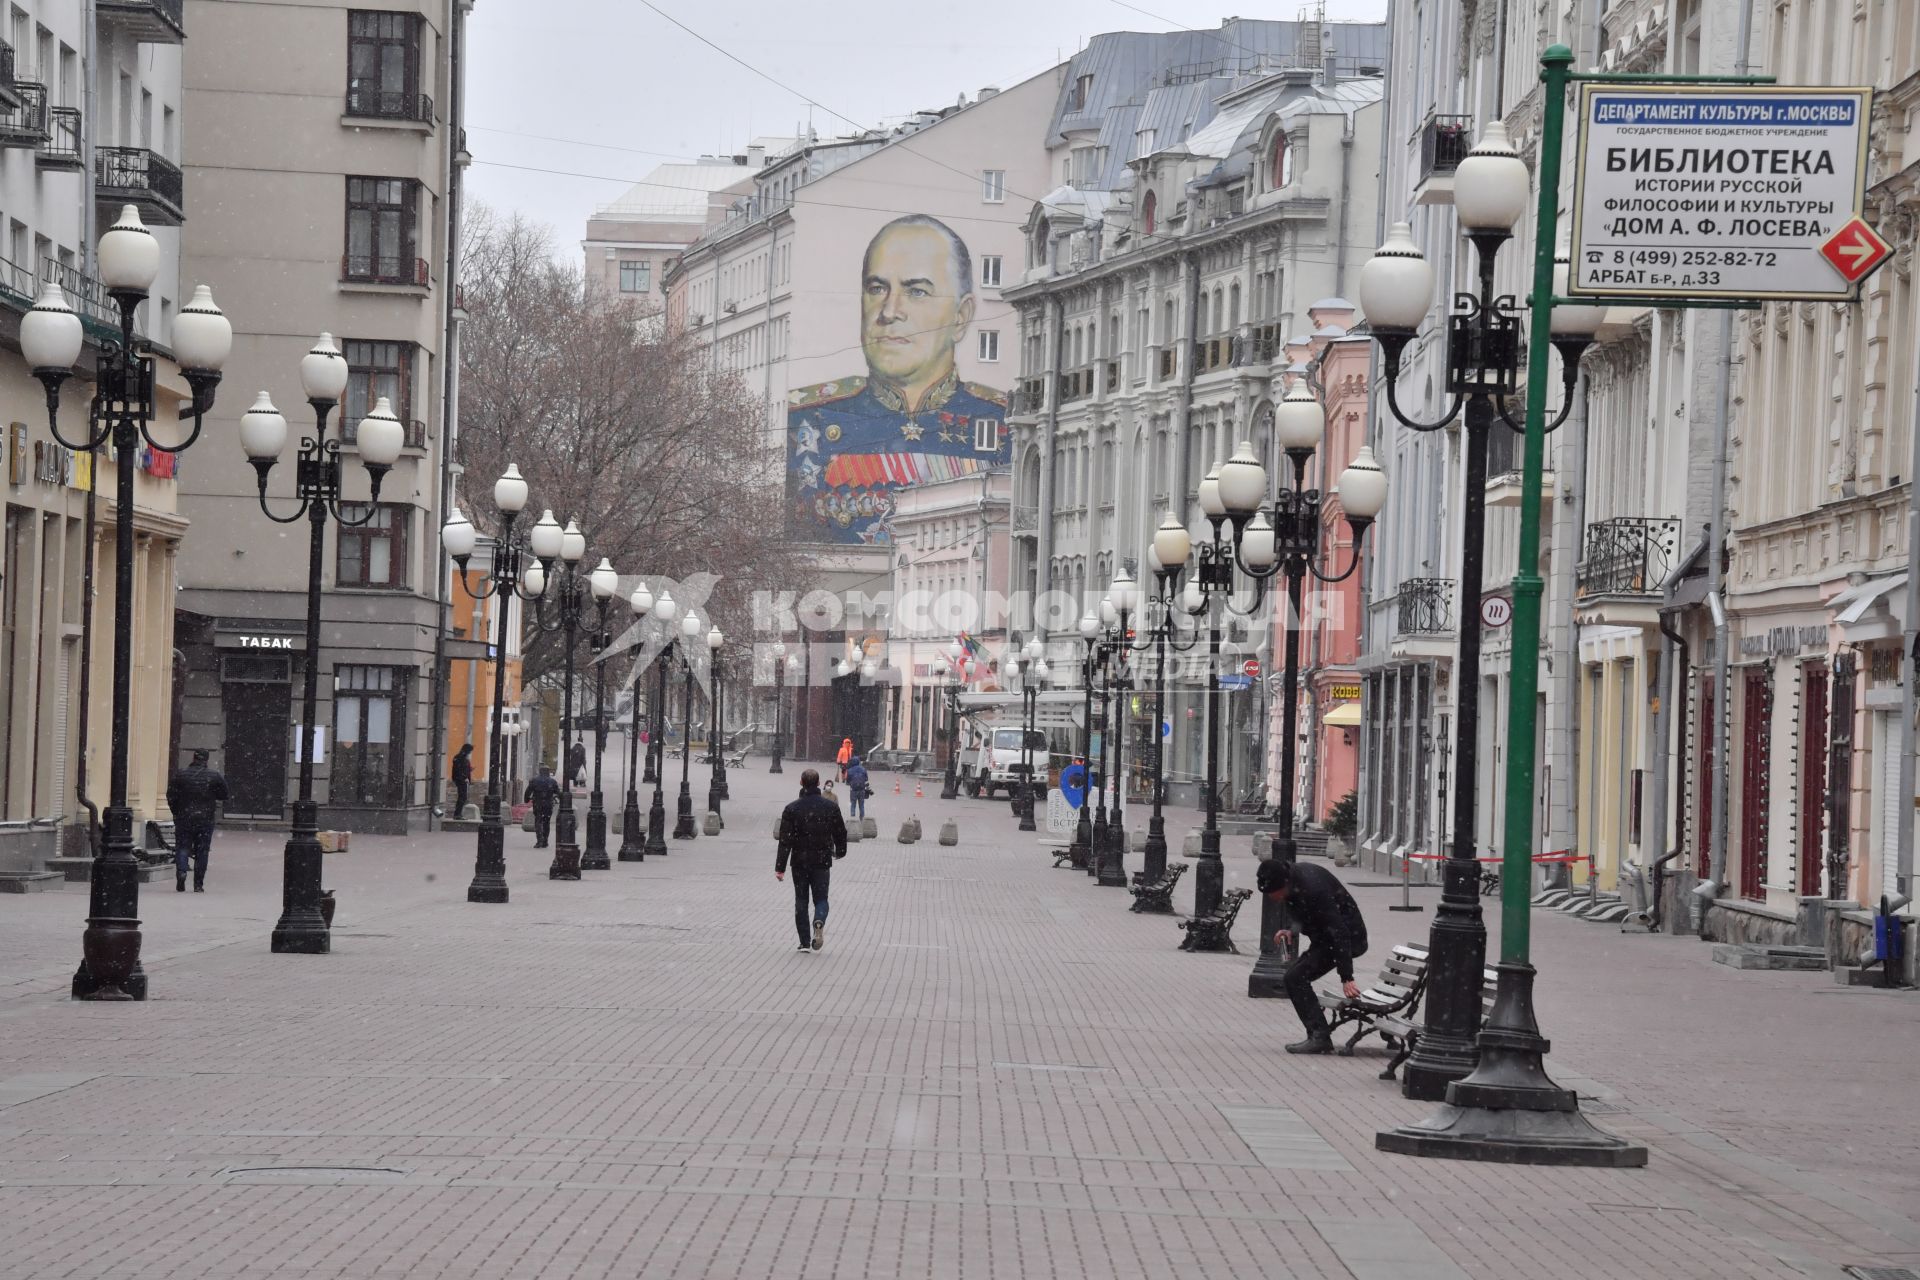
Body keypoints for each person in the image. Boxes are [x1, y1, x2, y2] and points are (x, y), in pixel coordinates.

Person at [786, 215, 1010, 546]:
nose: (889, 311)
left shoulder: (1000, 420)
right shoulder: (809, 417)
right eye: (877, 289)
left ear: (961, 317)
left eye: (917, 291)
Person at [1256, 858, 1370, 1054]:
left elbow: (1340, 932)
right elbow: (1302, 914)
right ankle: (1319, 1034)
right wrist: (1291, 931)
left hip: (1347, 939)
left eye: (1273, 893)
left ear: (1283, 884)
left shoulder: (1314, 889)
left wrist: (1347, 977)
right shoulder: (1293, 883)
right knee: (1294, 977)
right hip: (1326, 938)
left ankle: (1319, 1037)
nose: (1272, 898)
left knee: (1295, 977)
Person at [775, 768, 848, 952]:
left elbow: (785, 840)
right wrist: (840, 851)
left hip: (799, 861)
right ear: (818, 783)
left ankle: (804, 942)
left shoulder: (791, 809)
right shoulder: (830, 807)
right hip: (822, 860)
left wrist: (780, 867)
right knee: (821, 898)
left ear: (801, 783)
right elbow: (840, 831)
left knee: (801, 900)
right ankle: (819, 920)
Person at [165, 749, 228, 893]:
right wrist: (211, 795)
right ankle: (198, 884)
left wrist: (176, 811)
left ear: (193, 758)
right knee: (202, 851)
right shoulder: (214, 776)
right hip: (205, 819)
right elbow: (225, 794)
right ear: (206, 760)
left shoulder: (181, 774)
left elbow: (170, 795)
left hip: (184, 818)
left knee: (182, 847)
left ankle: (182, 872)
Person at [524, 763, 560, 849]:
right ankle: (545, 841)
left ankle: (539, 840)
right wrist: (555, 797)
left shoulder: (534, 780)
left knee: (538, 821)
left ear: (540, 772)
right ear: (548, 772)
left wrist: (527, 799)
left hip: (538, 804)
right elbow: (558, 793)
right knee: (546, 822)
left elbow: (528, 792)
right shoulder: (552, 782)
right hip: (548, 804)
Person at [450, 743, 473, 817]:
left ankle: (458, 813)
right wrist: (463, 777)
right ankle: (457, 814)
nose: (470, 753)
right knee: (462, 797)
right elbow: (458, 770)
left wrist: (468, 772)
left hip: (461, 779)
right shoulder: (460, 758)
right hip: (461, 780)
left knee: (463, 797)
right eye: (469, 751)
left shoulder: (461, 758)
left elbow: (462, 769)